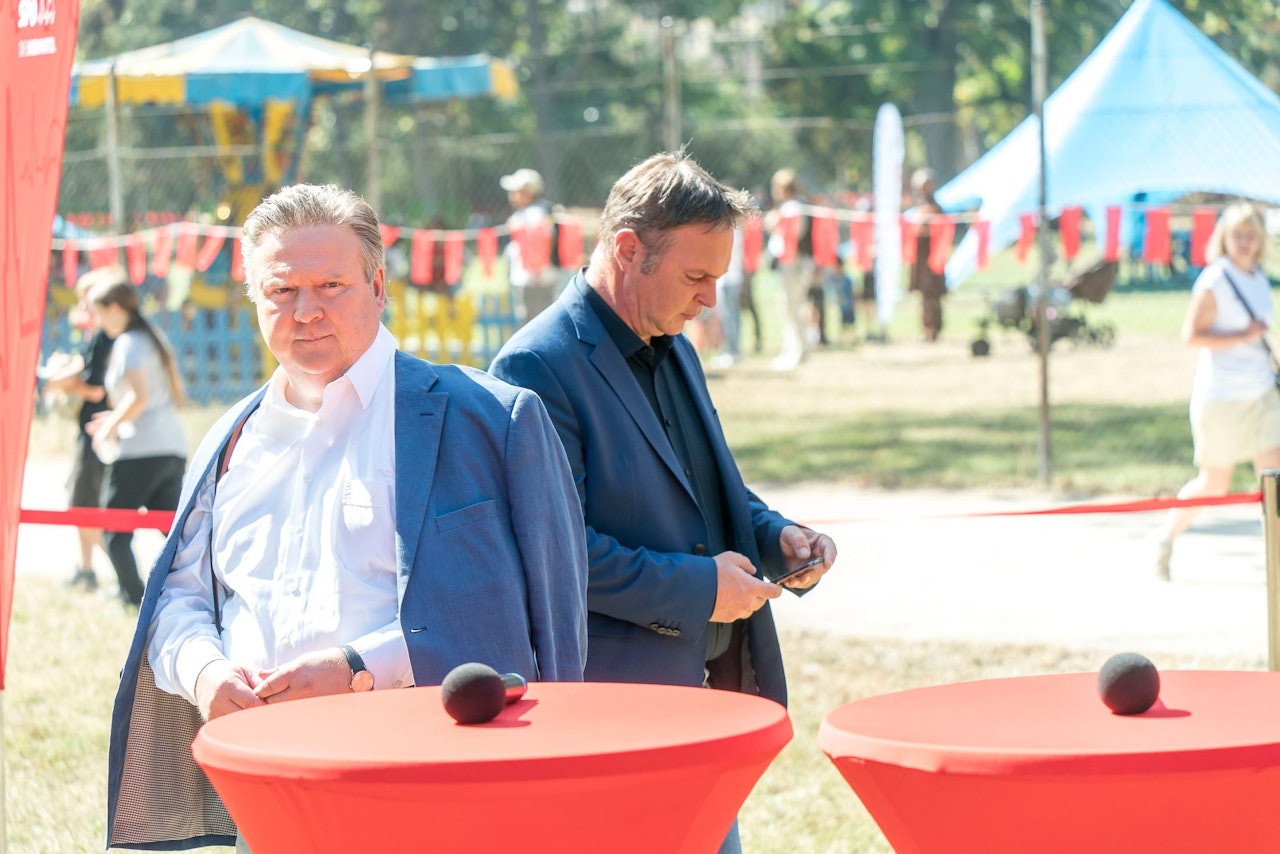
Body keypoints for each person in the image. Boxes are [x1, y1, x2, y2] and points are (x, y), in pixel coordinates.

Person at [105, 183, 588, 850]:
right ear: (255, 300)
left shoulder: (491, 420)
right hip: (268, 795)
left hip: (437, 794)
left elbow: (547, 634)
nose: (306, 311)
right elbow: (179, 599)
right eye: (282, 291)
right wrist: (204, 673)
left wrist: (357, 668)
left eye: (331, 285)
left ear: (379, 285)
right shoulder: (227, 442)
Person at [490, 151, 837, 854]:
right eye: (696, 276)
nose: (711, 298)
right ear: (627, 250)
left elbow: (705, 487)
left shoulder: (670, 338)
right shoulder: (534, 367)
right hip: (612, 711)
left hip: (702, 700)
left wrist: (777, 536)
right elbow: (558, 554)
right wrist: (699, 588)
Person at [1154, 202, 1280, 580]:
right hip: (1222, 395)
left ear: (1260, 241)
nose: (1244, 242)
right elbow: (1191, 336)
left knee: (1272, 478)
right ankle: (1166, 538)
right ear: (1224, 238)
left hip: (1262, 393)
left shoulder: (1259, 278)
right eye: (1237, 235)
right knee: (1214, 483)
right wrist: (1241, 335)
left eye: (1250, 236)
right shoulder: (1215, 280)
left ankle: (1274, 562)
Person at [84, 273, 188, 608]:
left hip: (140, 452)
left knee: (114, 533)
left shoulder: (129, 342)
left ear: (114, 308)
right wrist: (113, 420)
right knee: (177, 537)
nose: (95, 321)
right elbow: (146, 401)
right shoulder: (149, 336)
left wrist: (109, 426)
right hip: (169, 447)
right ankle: (191, 596)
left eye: (97, 312)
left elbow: (139, 398)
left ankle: (135, 600)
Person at [39, 268, 117, 591]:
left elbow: (97, 390)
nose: (83, 307)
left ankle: (122, 575)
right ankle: (87, 568)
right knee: (81, 502)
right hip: (91, 430)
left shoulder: (104, 337)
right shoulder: (98, 337)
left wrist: (65, 386)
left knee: (83, 506)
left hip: (98, 429)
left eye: (87, 299)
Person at [764, 168, 819, 370]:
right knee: (789, 307)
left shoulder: (794, 208)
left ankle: (797, 351)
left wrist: (775, 223)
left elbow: (794, 234)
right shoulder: (792, 206)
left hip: (796, 263)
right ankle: (794, 348)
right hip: (792, 263)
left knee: (792, 307)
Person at [501, 167, 560, 325]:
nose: (511, 196)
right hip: (530, 278)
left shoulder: (533, 214)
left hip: (534, 279)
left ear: (528, 192)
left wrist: (537, 271)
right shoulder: (528, 213)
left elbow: (544, 240)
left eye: (516, 191)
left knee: (535, 323)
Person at [906, 168, 948, 342]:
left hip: (933, 258)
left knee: (932, 295)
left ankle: (934, 327)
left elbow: (937, 228)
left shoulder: (935, 207)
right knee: (924, 296)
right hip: (920, 258)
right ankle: (926, 327)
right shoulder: (917, 205)